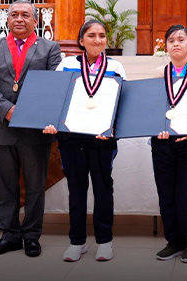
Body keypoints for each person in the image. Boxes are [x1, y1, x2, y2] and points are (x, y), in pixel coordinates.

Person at [0, 0, 61, 257]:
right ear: (7, 20)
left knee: (35, 185)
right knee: (5, 186)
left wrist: (25, 111)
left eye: (25, 15)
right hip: (2, 126)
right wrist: (7, 109)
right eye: (14, 15)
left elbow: (52, 85)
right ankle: (10, 234)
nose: (19, 19)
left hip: (35, 129)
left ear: (35, 21)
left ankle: (32, 235)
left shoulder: (50, 48)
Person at [42, 20, 126, 262]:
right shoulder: (67, 64)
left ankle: (104, 242)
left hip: (102, 138)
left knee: (102, 189)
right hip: (71, 138)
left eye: (101, 35)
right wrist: (52, 123)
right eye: (91, 35)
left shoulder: (116, 66)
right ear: (81, 41)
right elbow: (57, 97)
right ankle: (76, 242)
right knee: (76, 190)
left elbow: (123, 101)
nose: (97, 40)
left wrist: (112, 128)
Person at [152, 25, 187, 264]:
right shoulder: (158, 72)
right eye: (171, 40)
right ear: (165, 45)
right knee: (167, 194)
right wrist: (158, 128)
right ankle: (173, 241)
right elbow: (153, 108)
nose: (176, 43)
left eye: (181, 39)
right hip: (163, 141)